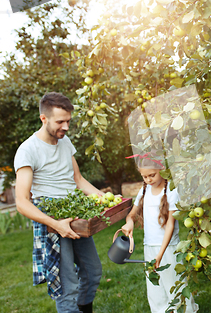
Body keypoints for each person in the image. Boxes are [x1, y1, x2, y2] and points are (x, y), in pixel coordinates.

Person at [14, 92, 103, 313]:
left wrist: (105, 199)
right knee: (67, 285)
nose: (65, 127)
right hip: (53, 219)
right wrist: (56, 224)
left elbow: (78, 180)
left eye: (68, 121)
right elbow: (22, 202)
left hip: (76, 213)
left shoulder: (65, 142)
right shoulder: (28, 150)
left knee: (92, 272)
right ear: (44, 119)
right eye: (60, 121)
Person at [121, 157, 199, 313]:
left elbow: (170, 224)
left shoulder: (171, 190)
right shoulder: (144, 190)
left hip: (168, 248)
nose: (148, 180)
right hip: (149, 247)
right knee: (155, 291)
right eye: (144, 176)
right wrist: (129, 223)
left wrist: (160, 254)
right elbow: (131, 215)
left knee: (175, 286)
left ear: (162, 170)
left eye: (152, 175)